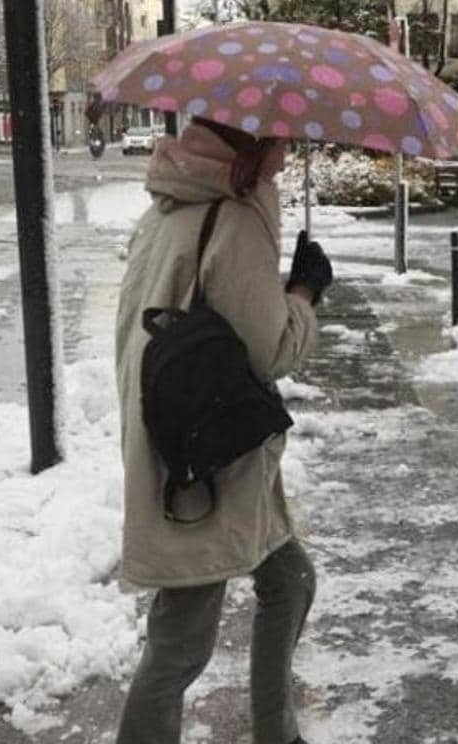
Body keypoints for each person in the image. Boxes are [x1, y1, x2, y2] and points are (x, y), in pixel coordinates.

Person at [114, 117, 333, 744]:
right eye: (282, 139)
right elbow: (275, 350)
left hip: (193, 438)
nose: (289, 154)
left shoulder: (167, 208)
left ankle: (278, 733)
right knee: (179, 647)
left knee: (289, 582)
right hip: (203, 460)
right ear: (253, 143)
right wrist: (304, 292)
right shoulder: (233, 222)